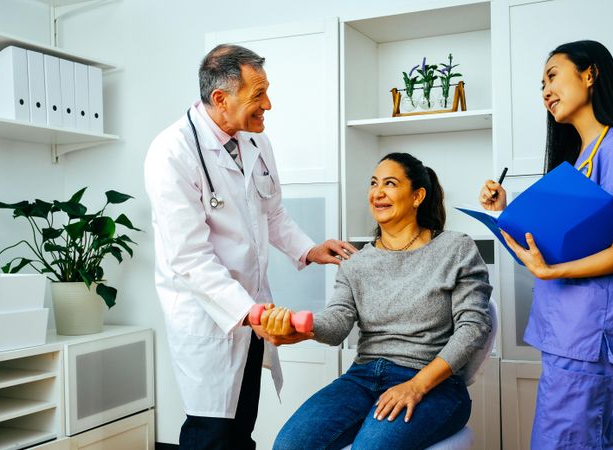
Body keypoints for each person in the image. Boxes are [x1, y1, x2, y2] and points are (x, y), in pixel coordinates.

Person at [144, 44, 357, 450]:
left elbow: (273, 214)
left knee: (240, 428)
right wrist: (249, 311)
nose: (268, 104)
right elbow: (188, 258)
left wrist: (310, 250)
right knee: (212, 434)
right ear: (221, 99)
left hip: (254, 312)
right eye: (258, 95)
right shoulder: (172, 153)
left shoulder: (256, 144)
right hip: (211, 315)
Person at [479, 40, 613, 450]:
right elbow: (557, 245)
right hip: (567, 335)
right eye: (541, 84)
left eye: (553, 76)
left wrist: (551, 271)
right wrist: (505, 213)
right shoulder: (580, 159)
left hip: (588, 336)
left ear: (590, 74)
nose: (545, 90)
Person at [261, 153, 492, 450]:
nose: (377, 192)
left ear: (417, 196)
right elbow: (336, 323)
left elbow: (473, 328)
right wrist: (300, 329)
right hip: (363, 377)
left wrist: (416, 385)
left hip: (435, 384)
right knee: (289, 445)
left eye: (390, 183)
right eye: (373, 183)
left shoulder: (455, 248)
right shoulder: (356, 262)